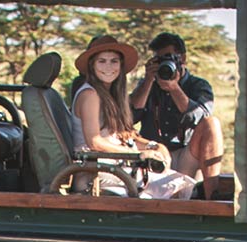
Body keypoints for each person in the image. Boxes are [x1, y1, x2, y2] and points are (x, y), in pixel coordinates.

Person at [70, 33, 175, 195]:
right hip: (94, 173)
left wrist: (153, 146)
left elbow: (125, 136)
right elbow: (94, 142)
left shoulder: (110, 94)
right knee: (173, 187)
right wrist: (137, 154)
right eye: (102, 61)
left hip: (115, 168)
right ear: (92, 65)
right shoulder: (89, 94)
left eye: (114, 61)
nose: (108, 67)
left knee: (178, 182)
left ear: (121, 65)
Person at [130, 32, 224, 199]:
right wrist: (148, 81)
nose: (165, 64)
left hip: (185, 154)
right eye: (160, 60)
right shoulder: (148, 85)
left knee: (212, 123)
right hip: (154, 153)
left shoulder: (198, 85)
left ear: (183, 58)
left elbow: (200, 117)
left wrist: (174, 89)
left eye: (169, 58)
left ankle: (212, 197)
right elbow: (130, 116)